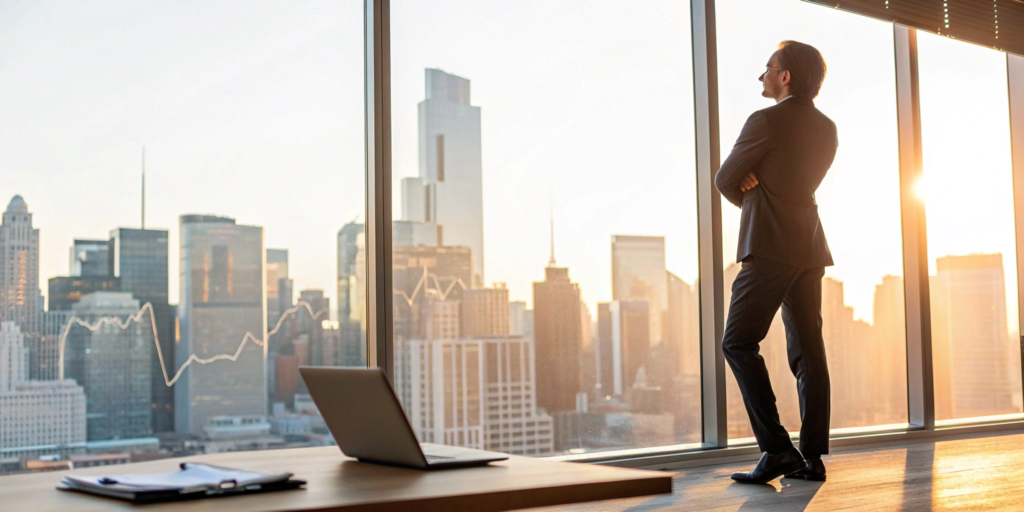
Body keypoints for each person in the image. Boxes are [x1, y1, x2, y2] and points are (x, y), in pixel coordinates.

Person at [715, 40, 837, 484]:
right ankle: (813, 457)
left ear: (785, 76)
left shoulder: (764, 121)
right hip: (808, 246)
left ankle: (777, 450)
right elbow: (795, 180)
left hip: (768, 246)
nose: (761, 76)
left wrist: (753, 186)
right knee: (809, 351)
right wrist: (762, 180)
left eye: (768, 68)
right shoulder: (828, 128)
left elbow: (725, 178)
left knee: (737, 342)